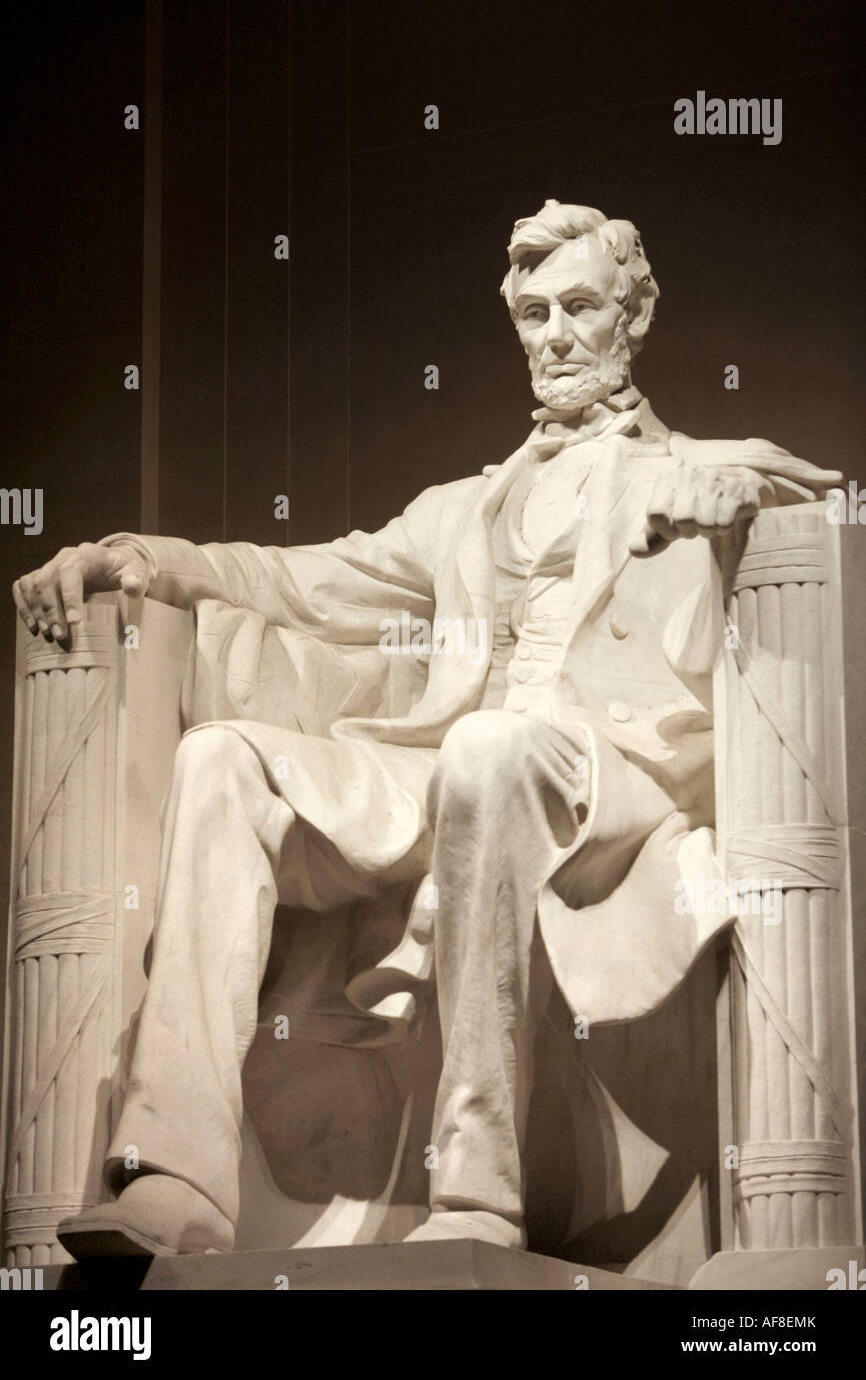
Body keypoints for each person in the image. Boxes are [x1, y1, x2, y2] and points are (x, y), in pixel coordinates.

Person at [13, 200, 838, 1258]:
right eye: (533, 312)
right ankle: (177, 1183)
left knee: (485, 754)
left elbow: (801, 487)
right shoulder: (462, 508)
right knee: (223, 758)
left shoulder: (685, 464)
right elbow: (304, 576)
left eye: (579, 305)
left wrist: (718, 495)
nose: (552, 335)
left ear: (632, 318)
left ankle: (478, 1192)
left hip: (604, 784)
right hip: (456, 764)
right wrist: (142, 558)